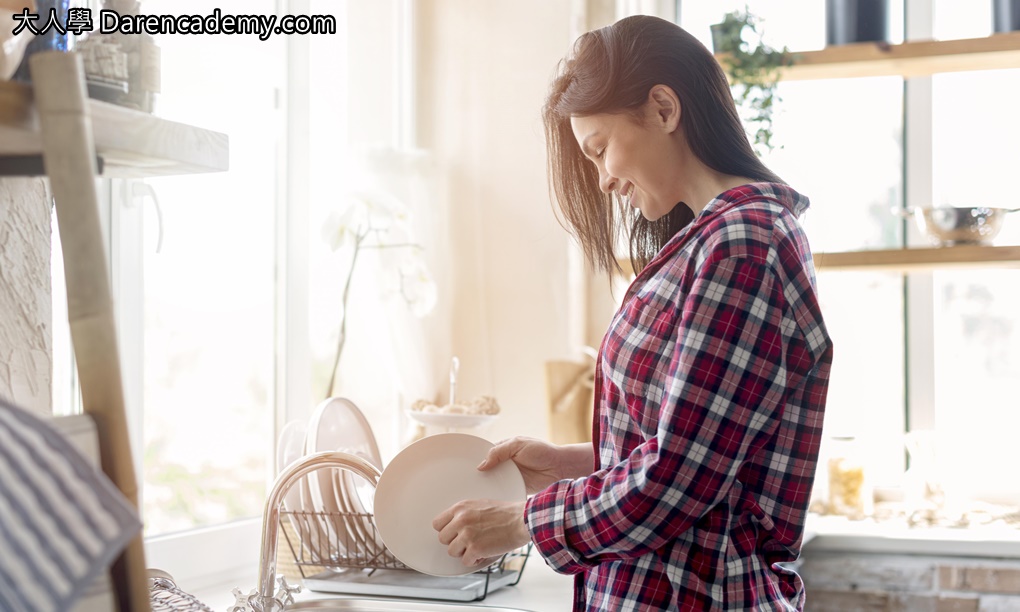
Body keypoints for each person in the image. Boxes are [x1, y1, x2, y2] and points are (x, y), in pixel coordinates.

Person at [432, 14, 833, 611]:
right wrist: (574, 466)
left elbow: (680, 478)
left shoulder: (744, 244)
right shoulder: (712, 241)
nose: (601, 181)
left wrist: (523, 522)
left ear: (663, 109)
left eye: (599, 150)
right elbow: (700, 450)